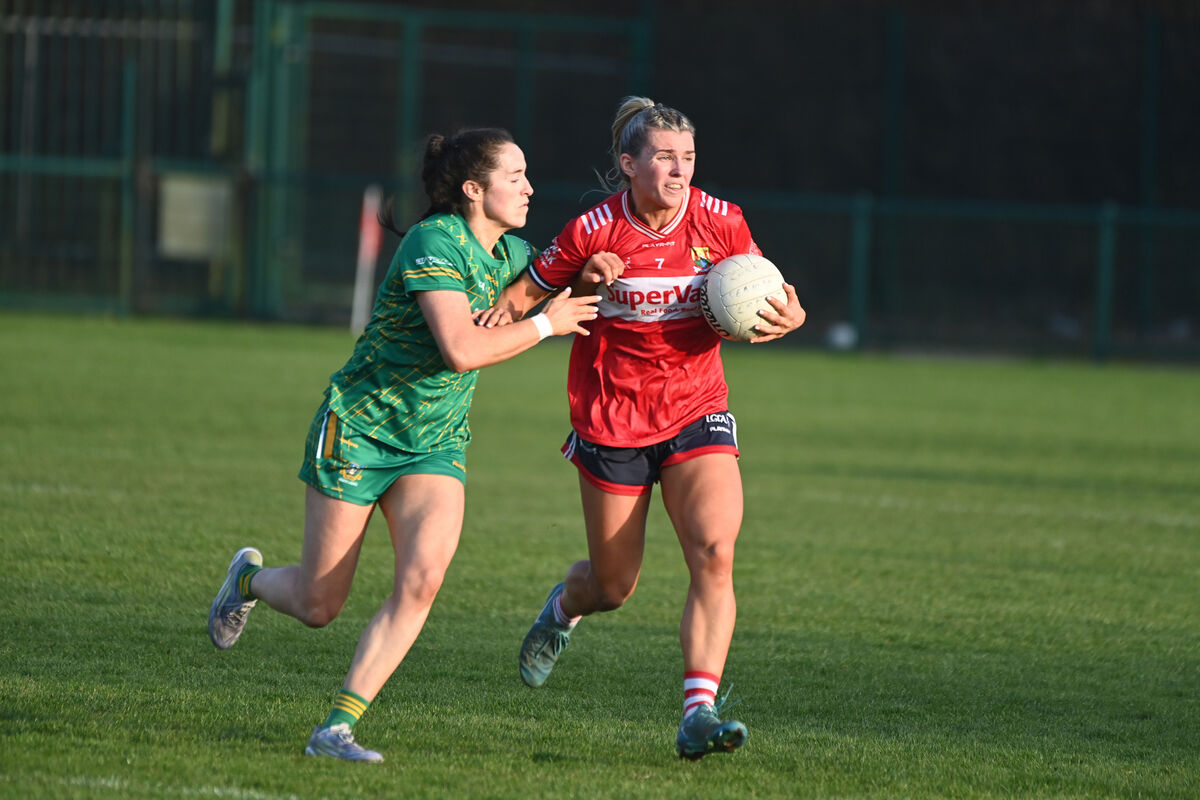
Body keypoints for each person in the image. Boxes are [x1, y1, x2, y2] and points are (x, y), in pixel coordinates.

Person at [207, 127, 599, 763]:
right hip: (360, 429)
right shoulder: (433, 241)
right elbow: (460, 349)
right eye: (515, 176)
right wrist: (544, 324)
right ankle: (247, 580)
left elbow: (566, 279)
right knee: (318, 604)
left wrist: (595, 272)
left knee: (421, 581)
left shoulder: (511, 254)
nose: (530, 188)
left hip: (435, 445)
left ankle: (336, 729)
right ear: (473, 190)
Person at [488, 97, 806, 760]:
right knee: (613, 586)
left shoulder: (721, 220)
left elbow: (765, 285)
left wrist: (791, 314)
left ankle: (698, 712)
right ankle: (563, 609)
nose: (679, 169)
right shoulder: (593, 229)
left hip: (697, 408)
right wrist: (580, 281)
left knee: (715, 551)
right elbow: (518, 300)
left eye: (687, 157)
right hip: (612, 417)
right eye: (664, 157)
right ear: (629, 164)